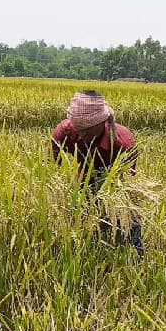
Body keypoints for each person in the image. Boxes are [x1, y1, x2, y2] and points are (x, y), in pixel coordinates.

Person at [51, 90, 144, 255]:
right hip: (83, 181)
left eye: (86, 129)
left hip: (115, 185)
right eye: (78, 128)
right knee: (83, 227)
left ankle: (135, 256)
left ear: (102, 122)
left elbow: (126, 182)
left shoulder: (123, 143)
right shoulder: (64, 132)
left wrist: (109, 203)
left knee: (129, 221)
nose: (81, 133)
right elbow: (50, 166)